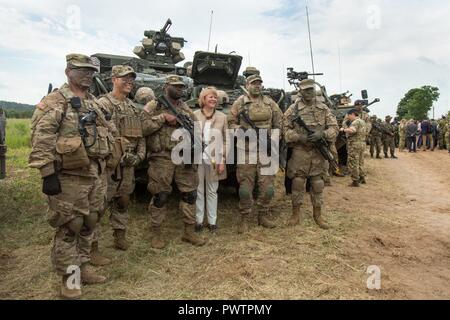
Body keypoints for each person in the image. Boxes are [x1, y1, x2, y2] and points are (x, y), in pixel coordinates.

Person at [29, 53, 113, 299]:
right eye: (81, 70)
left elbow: (108, 130)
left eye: (91, 71)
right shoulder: (56, 101)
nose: (88, 74)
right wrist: (47, 174)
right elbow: (41, 138)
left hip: (95, 173)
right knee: (70, 226)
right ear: (68, 71)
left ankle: (83, 267)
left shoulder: (93, 102)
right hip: (68, 176)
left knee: (91, 221)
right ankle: (69, 278)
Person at [141, 75, 205, 248]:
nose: (180, 89)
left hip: (184, 156)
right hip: (162, 156)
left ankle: (189, 232)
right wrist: (163, 118)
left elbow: (197, 131)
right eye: (175, 86)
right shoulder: (154, 105)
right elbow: (143, 128)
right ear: (166, 86)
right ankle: (156, 233)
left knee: (190, 194)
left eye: (181, 87)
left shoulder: (186, 109)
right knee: (160, 195)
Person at [97, 65, 146, 251]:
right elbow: (98, 135)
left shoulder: (133, 108)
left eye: (131, 79)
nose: (129, 82)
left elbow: (140, 137)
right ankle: (92, 247)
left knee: (123, 201)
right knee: (99, 207)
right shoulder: (103, 104)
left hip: (128, 166)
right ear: (113, 80)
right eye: (124, 78)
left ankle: (120, 236)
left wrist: (139, 156)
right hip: (109, 165)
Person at [228, 74, 283, 234]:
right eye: (254, 83)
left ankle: (263, 215)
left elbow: (280, 122)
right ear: (247, 85)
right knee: (245, 188)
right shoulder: (240, 103)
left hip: (266, 149)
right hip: (247, 150)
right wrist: (243, 131)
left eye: (259, 83)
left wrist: (274, 136)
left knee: (268, 189)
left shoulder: (270, 103)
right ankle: (244, 218)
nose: (257, 86)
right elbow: (230, 122)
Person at [283, 79, 338, 230]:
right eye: (306, 90)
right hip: (301, 152)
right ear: (300, 91)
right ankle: (295, 214)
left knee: (317, 184)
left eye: (311, 89)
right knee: (298, 183)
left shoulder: (323, 108)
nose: (309, 92)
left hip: (318, 153)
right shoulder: (292, 110)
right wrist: (299, 137)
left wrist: (323, 134)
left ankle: (318, 215)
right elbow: (285, 132)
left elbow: (334, 128)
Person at [193, 87, 227, 232]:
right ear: (203, 99)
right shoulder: (194, 115)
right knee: (199, 189)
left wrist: (223, 159)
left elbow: (226, 140)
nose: (213, 99)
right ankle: (199, 221)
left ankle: (212, 222)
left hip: (214, 158)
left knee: (212, 190)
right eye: (210, 97)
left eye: (215, 97)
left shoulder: (222, 117)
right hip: (197, 157)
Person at [340, 109, 366, 187]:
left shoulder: (355, 122)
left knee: (353, 162)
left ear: (352, 114)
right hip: (361, 143)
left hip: (354, 144)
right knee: (360, 162)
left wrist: (343, 130)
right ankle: (362, 178)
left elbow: (352, 130)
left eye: (348, 115)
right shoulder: (362, 121)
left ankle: (355, 181)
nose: (348, 117)